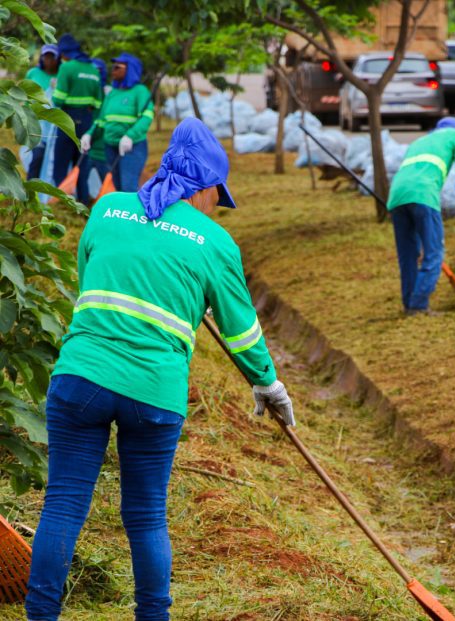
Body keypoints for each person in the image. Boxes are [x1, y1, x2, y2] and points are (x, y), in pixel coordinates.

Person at [25, 117, 296, 621]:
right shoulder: (213, 243)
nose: (217, 204)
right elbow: (242, 331)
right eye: (218, 193)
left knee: (63, 505)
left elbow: (91, 284)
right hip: (153, 392)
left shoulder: (107, 209)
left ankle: (40, 617)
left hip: (80, 377)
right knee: (147, 517)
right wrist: (268, 383)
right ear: (205, 187)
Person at [387, 116, 455, 314]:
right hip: (423, 195)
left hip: (397, 197)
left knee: (408, 255)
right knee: (434, 252)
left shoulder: (420, 141)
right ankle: (418, 305)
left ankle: (409, 303)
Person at [81, 53, 153, 193]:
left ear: (129, 69)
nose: (113, 70)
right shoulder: (112, 93)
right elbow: (101, 121)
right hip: (110, 147)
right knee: (116, 187)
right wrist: (89, 135)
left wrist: (130, 136)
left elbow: (146, 117)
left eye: (117, 67)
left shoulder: (140, 91)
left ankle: (132, 214)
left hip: (131, 147)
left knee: (128, 186)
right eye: (112, 67)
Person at [51, 34, 102, 203]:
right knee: (80, 164)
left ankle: (62, 203)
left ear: (65, 53)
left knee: (60, 164)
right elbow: (97, 102)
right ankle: (82, 204)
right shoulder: (93, 70)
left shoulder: (67, 68)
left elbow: (58, 99)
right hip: (86, 121)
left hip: (67, 119)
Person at [77, 58, 111, 203]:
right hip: (88, 144)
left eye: (98, 71)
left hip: (103, 147)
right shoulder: (85, 91)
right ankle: (83, 206)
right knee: (81, 176)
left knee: (107, 181)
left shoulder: (110, 93)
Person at [25, 44, 60, 180]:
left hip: (53, 124)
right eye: (46, 57)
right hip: (36, 122)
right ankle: (31, 189)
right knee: (37, 156)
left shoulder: (61, 75)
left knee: (51, 159)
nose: (49, 61)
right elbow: (25, 95)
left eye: (52, 57)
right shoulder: (33, 73)